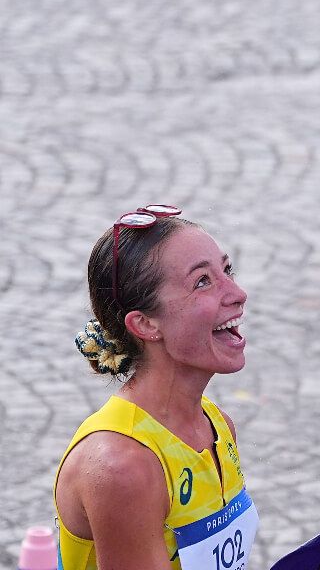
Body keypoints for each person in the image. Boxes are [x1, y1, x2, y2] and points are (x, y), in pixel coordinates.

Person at [55, 205, 258, 570]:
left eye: (226, 270)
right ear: (146, 324)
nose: (238, 293)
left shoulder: (217, 425)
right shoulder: (122, 467)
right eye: (202, 281)